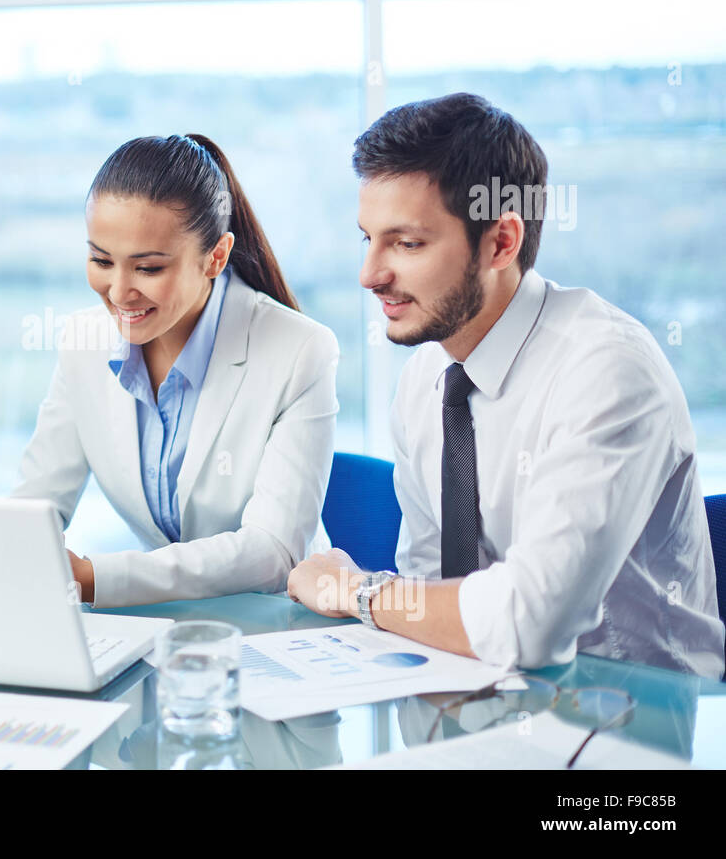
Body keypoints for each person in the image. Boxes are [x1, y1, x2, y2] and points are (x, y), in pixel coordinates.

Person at [287, 92, 725, 679]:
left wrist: (356, 592)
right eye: (368, 238)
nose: (370, 275)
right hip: (482, 699)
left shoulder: (608, 371)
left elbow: (529, 622)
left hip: (632, 720)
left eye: (407, 243)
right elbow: (428, 589)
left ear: (501, 242)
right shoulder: (427, 378)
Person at [14, 134, 339, 608]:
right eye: (101, 260)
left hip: (279, 623)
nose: (119, 291)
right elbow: (37, 505)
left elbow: (272, 551)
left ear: (216, 257)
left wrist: (92, 577)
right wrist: (6, 543)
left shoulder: (301, 351)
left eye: (147, 268)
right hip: (164, 623)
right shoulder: (81, 344)